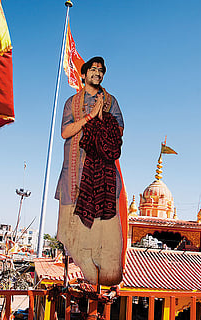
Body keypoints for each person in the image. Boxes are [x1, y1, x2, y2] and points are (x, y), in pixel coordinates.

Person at [55, 56, 124, 285]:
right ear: (83, 75)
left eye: (101, 70)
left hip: (102, 180)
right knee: (70, 237)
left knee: (107, 243)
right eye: (93, 69)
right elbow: (65, 132)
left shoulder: (110, 101)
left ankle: (101, 285)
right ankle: (89, 278)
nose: (97, 72)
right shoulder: (71, 102)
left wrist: (101, 118)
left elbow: (118, 131)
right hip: (73, 175)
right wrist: (89, 117)